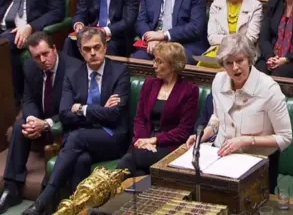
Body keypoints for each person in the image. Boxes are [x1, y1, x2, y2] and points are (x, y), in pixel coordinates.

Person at [24, 27, 130, 214]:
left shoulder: (120, 72)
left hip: (112, 138)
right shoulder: (73, 74)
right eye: (87, 49)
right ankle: (77, 210)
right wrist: (101, 110)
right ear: (81, 52)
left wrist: (82, 108)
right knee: (81, 159)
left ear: (105, 47)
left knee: (76, 138)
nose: (93, 53)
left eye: (97, 47)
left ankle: (44, 199)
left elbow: (114, 115)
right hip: (85, 141)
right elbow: (64, 114)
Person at [185, 34, 293, 193]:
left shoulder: (269, 89)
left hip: (257, 163)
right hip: (222, 156)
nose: (235, 67)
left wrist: (245, 141)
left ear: (249, 59)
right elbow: (217, 118)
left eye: (240, 60)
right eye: (229, 63)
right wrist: (203, 136)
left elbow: (285, 137)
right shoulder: (218, 81)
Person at [0, 32, 80, 214]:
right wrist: (32, 120)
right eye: (37, 56)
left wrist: (46, 123)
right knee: (21, 125)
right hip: (40, 121)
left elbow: (72, 110)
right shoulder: (30, 67)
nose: (42, 60)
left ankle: (46, 196)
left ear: (54, 49)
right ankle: (12, 187)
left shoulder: (74, 69)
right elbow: (28, 100)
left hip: (63, 123)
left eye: (46, 54)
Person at [117, 42, 199, 177]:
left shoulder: (189, 90)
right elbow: (140, 118)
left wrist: (155, 141)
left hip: (170, 147)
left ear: (173, 65)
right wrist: (142, 140)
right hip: (143, 143)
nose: (154, 65)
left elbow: (183, 130)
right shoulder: (149, 84)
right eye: (155, 60)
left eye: (159, 62)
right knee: (137, 173)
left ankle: (106, 193)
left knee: (129, 161)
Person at [0, 0, 65, 106]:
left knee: (5, 45)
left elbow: (57, 11)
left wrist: (30, 26)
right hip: (3, 28)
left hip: (26, 31)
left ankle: (12, 100)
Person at [203, 0, 262, 66]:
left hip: (244, 53)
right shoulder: (216, 5)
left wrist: (226, 41)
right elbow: (212, 38)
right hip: (218, 51)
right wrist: (237, 39)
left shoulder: (255, 6)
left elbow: (251, 39)